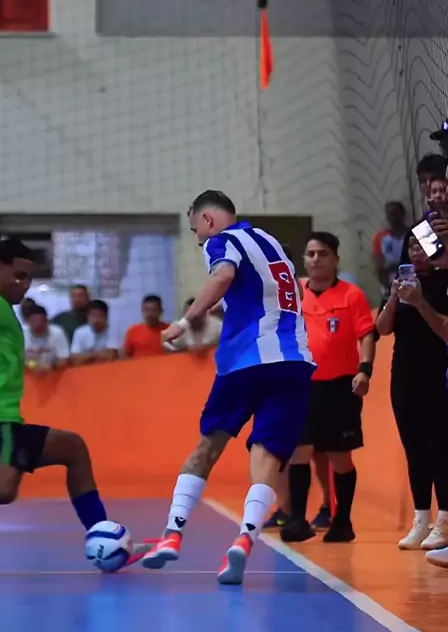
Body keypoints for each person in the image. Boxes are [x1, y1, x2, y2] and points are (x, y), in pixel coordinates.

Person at [141, 190, 315, 585]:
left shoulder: (222, 240)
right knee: (267, 455)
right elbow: (287, 294)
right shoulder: (272, 243)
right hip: (294, 360)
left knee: (208, 446)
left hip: (246, 360)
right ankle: (244, 540)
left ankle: (172, 534)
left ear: (207, 220)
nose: (199, 240)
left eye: (196, 232)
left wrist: (183, 323)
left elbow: (223, 275)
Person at [0, 239, 149, 567]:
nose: (25, 284)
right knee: (1, 489)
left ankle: (102, 534)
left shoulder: (1, 306)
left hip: (1, 417)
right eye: (19, 275)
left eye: (29, 277)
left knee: (72, 448)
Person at [280, 232, 375, 544]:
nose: (316, 259)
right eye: (310, 254)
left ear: (336, 259)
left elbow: (366, 334)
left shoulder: (351, 295)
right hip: (300, 385)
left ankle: (342, 521)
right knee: (298, 451)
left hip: (339, 387)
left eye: (322, 253)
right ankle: (296, 519)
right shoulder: (294, 293)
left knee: (339, 456)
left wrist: (365, 370)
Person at [379, 239, 448, 552]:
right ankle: (421, 519)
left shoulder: (441, 284)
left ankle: (444, 519)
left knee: (437, 446)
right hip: (404, 374)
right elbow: (382, 328)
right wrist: (394, 298)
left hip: (435, 371)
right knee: (413, 447)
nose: (416, 252)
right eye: (412, 247)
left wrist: (419, 301)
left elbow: (443, 330)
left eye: (423, 247)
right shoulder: (400, 284)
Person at [372, 201, 408, 298]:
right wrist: (388, 288)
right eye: (389, 213)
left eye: (395, 212)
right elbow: (380, 267)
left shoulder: (413, 234)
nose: (393, 216)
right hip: (391, 286)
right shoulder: (381, 238)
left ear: (403, 214)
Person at [71, 299, 119, 365]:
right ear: (87, 317)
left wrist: (86, 356)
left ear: (106, 317)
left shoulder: (113, 331)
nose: (96, 320)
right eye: (93, 316)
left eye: (100, 316)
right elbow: (75, 360)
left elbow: (111, 356)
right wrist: (97, 355)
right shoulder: (79, 332)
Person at [24, 304, 70, 373]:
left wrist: (51, 366)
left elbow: (64, 358)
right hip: (28, 373)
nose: (39, 324)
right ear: (27, 321)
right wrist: (34, 366)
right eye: (35, 321)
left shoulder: (57, 332)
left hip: (54, 372)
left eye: (42, 320)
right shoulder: (21, 334)